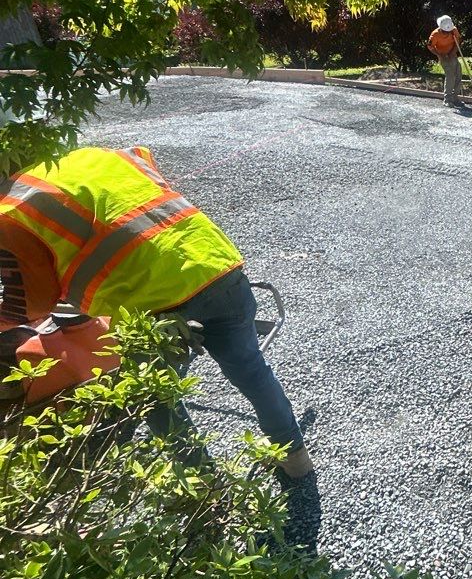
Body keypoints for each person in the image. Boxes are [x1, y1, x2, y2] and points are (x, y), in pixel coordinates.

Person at [0, 144, 313, 479]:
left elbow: (33, 301)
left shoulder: (12, 210)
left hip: (153, 308)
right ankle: (296, 461)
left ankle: (206, 492)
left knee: (158, 401)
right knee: (251, 370)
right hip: (217, 268)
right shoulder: (96, 156)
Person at [427, 14, 464, 106]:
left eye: (448, 31)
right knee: (450, 75)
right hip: (442, 55)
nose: (447, 33)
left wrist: (453, 52)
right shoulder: (435, 34)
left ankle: (455, 98)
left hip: (452, 54)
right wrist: (439, 55)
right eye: (444, 32)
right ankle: (447, 99)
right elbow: (430, 46)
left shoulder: (454, 30)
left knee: (458, 74)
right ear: (440, 28)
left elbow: (458, 41)